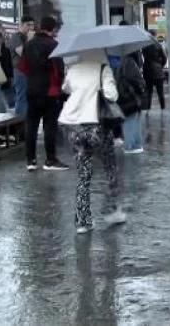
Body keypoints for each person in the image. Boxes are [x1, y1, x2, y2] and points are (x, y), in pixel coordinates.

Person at [59, 50, 125, 234]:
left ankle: (82, 222)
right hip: (96, 126)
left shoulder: (73, 68)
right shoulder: (103, 68)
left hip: (72, 126)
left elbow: (65, 88)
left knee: (83, 173)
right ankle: (112, 211)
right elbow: (112, 96)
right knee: (110, 166)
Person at [20, 16, 69, 172]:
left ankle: (31, 160)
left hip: (32, 89)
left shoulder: (28, 45)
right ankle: (50, 159)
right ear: (53, 29)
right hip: (49, 91)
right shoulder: (54, 45)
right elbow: (60, 71)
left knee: (32, 125)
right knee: (49, 125)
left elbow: (23, 67)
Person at [116, 50, 147, 154]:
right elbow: (136, 80)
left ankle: (136, 145)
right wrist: (142, 85)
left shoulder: (124, 61)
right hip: (130, 97)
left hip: (127, 97)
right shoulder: (129, 62)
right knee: (131, 121)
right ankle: (131, 146)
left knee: (133, 120)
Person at [10, 16, 34, 117]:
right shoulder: (16, 37)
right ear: (21, 25)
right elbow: (23, 53)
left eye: (32, 25)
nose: (31, 28)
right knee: (22, 98)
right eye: (28, 25)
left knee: (29, 99)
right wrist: (29, 40)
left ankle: (27, 123)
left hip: (30, 72)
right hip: (20, 72)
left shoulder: (28, 37)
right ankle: (20, 124)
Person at [142, 31, 168, 111]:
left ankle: (148, 109)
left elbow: (143, 57)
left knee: (149, 92)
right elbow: (164, 58)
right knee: (160, 92)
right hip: (158, 71)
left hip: (148, 71)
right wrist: (160, 65)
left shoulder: (144, 45)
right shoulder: (158, 45)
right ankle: (162, 108)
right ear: (155, 35)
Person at [0, 31, 14, 108]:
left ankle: (11, 107)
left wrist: (11, 75)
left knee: (8, 93)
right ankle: (2, 109)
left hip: (6, 74)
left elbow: (9, 63)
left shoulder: (6, 50)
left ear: (2, 39)